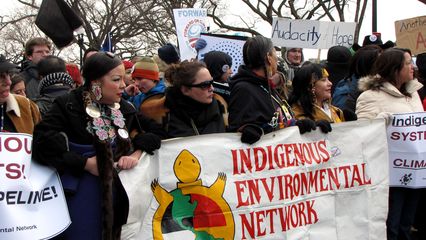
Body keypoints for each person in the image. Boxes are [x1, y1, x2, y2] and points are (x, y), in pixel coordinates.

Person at [32, 52, 163, 239]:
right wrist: (85, 163)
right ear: (95, 83)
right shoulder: (68, 105)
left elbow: (157, 134)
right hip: (82, 198)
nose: (124, 85)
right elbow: (41, 145)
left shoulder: (125, 108)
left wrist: (135, 154)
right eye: (116, 79)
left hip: (121, 197)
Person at [356, 48, 422, 240]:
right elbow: (363, 134)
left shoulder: (413, 93)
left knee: (406, 224)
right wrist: (379, 122)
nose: (413, 67)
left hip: (415, 171)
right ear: (395, 68)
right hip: (390, 173)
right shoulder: (370, 97)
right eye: (408, 63)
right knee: (390, 226)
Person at [228, 36, 330, 145]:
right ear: (269, 58)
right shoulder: (244, 89)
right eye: (275, 55)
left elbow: (276, 123)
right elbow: (236, 136)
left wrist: (301, 125)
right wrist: (247, 129)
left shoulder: (265, 86)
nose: (277, 60)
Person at [163, 61, 226, 137]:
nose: (212, 88)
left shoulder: (221, 107)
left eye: (212, 82)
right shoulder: (164, 115)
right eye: (205, 85)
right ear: (185, 90)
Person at [332, 45, 382, 112]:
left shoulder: (382, 86)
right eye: (380, 64)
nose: (384, 67)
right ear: (368, 65)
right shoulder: (346, 93)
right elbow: (341, 119)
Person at [0, 54, 40, 133]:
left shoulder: (27, 107)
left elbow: (42, 141)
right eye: (0, 76)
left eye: (8, 74)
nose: (8, 82)